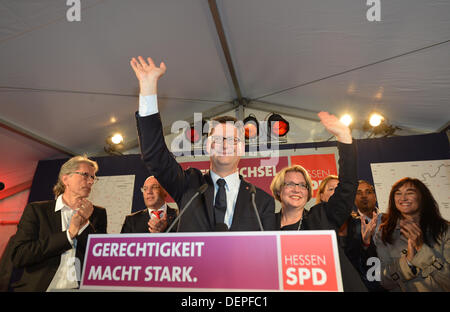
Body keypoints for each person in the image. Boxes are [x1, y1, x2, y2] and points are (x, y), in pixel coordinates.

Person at [131, 56, 276, 231]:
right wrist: (148, 88)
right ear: (207, 146)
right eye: (218, 139)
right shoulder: (189, 186)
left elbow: (267, 254)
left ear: (242, 148)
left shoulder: (260, 201)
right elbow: (155, 156)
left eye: (232, 140)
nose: (224, 144)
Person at [270, 112, 367, 291]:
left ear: (308, 193)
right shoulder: (265, 224)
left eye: (302, 185)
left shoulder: (322, 216)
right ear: (278, 190)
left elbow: (347, 185)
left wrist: (344, 138)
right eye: (290, 184)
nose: (297, 189)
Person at [10, 156, 107, 291]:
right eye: (85, 175)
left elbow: (100, 258)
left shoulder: (98, 214)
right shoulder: (37, 210)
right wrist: (68, 235)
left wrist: (85, 224)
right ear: (65, 178)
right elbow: (20, 256)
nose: (91, 181)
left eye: (93, 177)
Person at [373, 177, 449, 291]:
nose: (403, 198)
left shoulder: (445, 229)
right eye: (398, 194)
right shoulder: (384, 233)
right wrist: (408, 261)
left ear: (422, 197)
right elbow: (383, 281)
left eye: (410, 193)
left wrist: (421, 249)